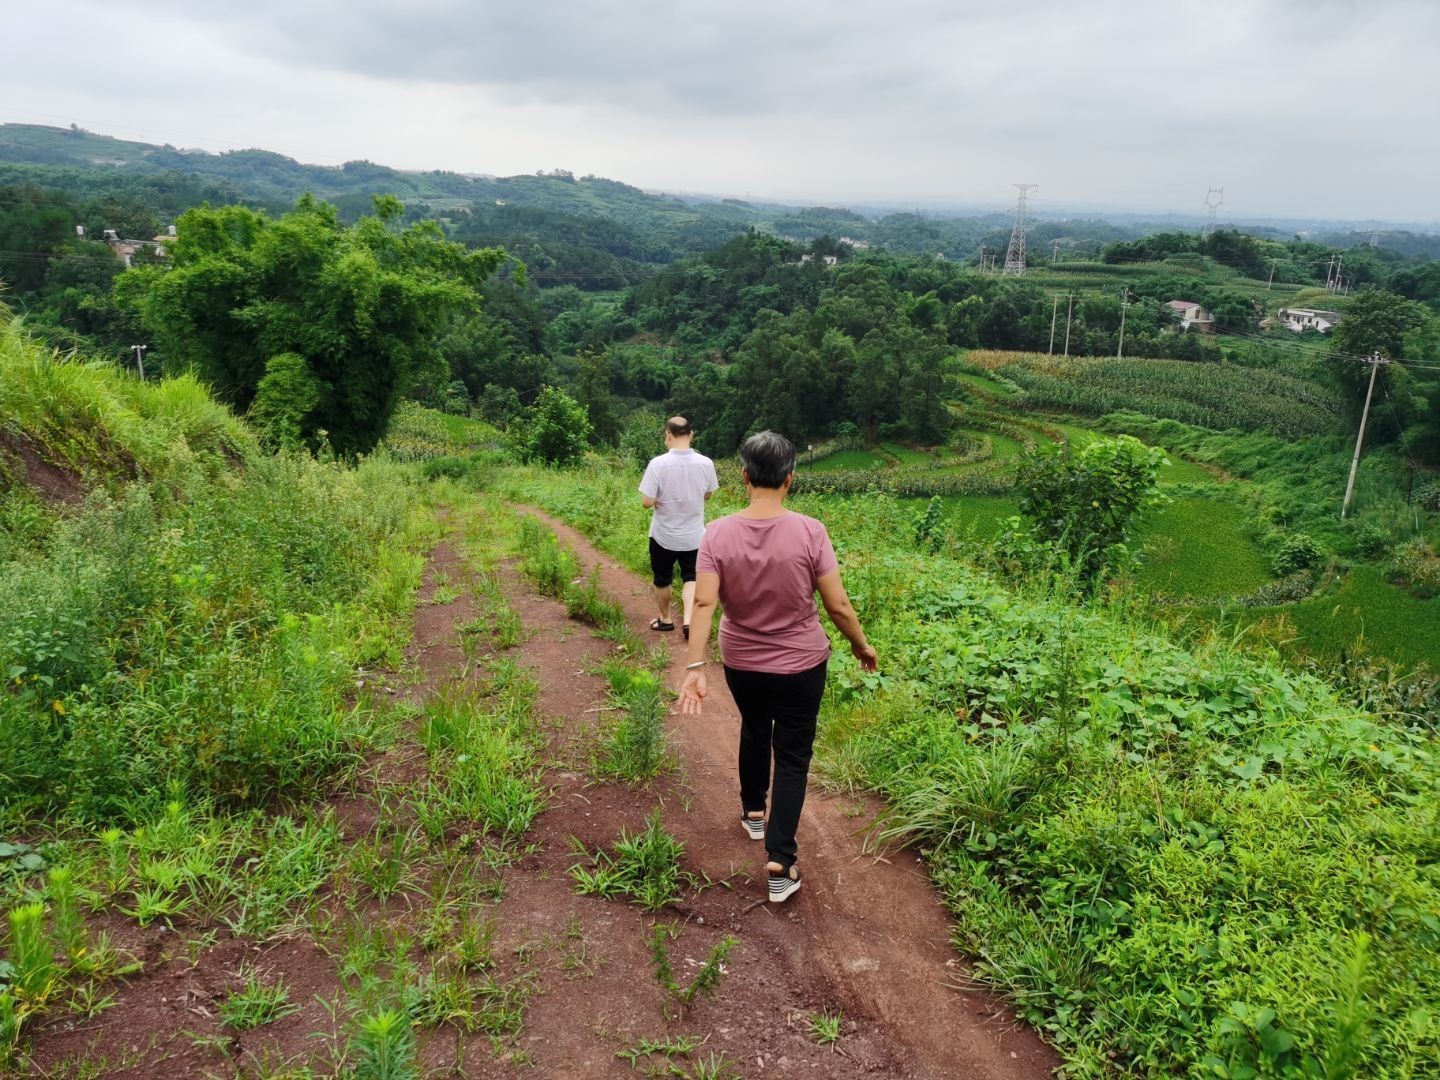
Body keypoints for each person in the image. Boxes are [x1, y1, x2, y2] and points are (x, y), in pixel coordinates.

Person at [678, 431, 877, 903]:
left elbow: (703, 602)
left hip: (742, 662)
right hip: (801, 665)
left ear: (744, 477)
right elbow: (837, 605)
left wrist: (696, 666)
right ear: (790, 478)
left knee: (754, 726)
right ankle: (780, 860)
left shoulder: (717, 533)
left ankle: (753, 812)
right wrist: (861, 645)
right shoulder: (811, 531)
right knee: (792, 756)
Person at [639, 416, 719, 638]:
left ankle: (665, 620)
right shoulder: (706, 463)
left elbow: (646, 502)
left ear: (668, 435)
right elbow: (708, 495)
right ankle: (689, 620)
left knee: (662, 578)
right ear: (691, 435)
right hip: (694, 536)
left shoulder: (657, 464)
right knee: (691, 577)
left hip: (663, 535)